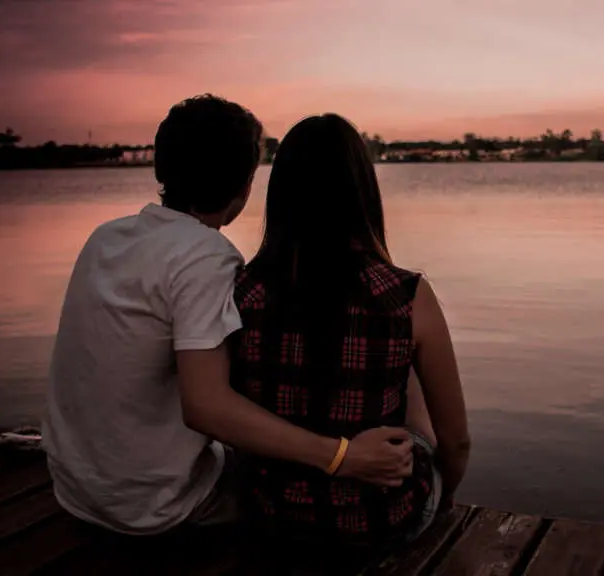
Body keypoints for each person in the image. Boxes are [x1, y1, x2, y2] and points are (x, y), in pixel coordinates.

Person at [41, 96, 414, 536]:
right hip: (153, 505)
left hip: (75, 487)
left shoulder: (105, 238)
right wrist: (341, 456)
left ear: (161, 169)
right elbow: (206, 408)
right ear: (245, 186)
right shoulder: (206, 257)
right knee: (289, 486)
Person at [229, 114, 471, 548]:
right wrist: (445, 495)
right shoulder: (405, 294)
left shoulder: (241, 291)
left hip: (271, 515)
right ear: (363, 191)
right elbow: (457, 443)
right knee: (409, 372)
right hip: (377, 521)